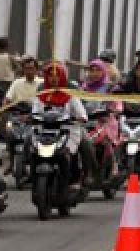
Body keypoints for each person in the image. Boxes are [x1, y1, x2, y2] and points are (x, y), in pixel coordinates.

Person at [33, 61, 94, 194]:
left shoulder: (70, 94)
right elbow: (35, 112)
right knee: (32, 148)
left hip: (68, 130)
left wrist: (77, 118)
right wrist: (29, 117)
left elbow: (82, 114)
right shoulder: (41, 94)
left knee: (67, 153)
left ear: (62, 76)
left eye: (56, 75)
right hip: (45, 131)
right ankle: (32, 176)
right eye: (50, 75)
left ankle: (74, 179)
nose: (53, 78)